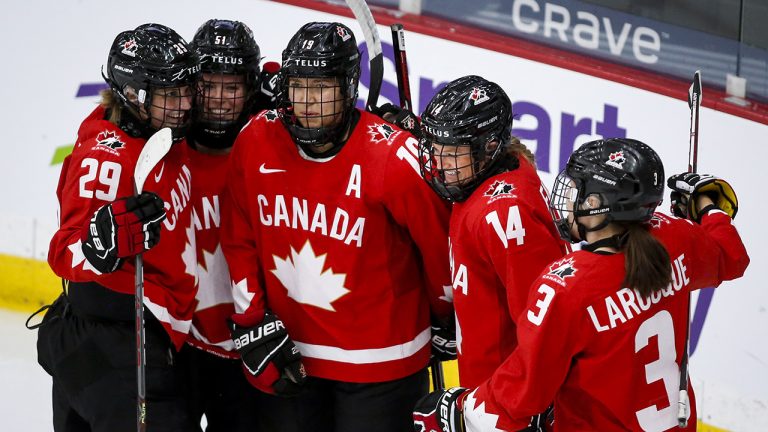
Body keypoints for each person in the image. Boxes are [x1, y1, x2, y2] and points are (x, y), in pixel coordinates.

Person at [413, 138, 749, 431]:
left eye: (577, 191)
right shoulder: (676, 238)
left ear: (596, 205)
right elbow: (730, 256)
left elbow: (524, 388)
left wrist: (459, 412)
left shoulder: (568, 287)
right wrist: (707, 208)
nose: (568, 200)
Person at [219, 21, 453, 432]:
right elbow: (238, 237)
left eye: (322, 87)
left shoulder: (394, 159)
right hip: (289, 354)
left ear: (347, 88)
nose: (307, 102)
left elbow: (439, 249)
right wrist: (252, 320)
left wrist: (446, 315)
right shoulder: (256, 139)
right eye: (298, 86)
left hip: (382, 365)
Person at [34, 23, 200, 431]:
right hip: (114, 346)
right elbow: (65, 252)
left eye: (185, 92)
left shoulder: (155, 130)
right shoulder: (107, 160)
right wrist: (98, 244)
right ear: (133, 95)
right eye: (170, 95)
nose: (183, 105)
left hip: (128, 339)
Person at [179, 18, 280, 431]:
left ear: (250, 89)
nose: (219, 98)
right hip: (180, 348)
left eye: (232, 86)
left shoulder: (273, 146)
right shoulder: (162, 146)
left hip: (251, 351)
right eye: (209, 84)